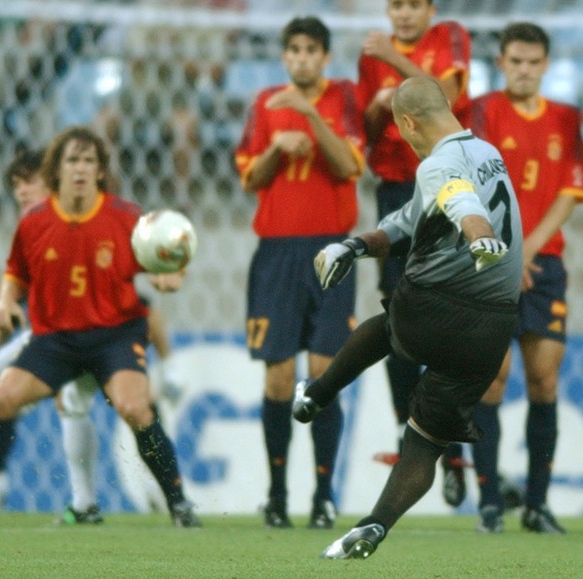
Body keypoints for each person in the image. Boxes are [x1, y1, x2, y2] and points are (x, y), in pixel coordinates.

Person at [292, 76, 522, 559]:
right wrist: (355, 246)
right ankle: (374, 526)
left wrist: (478, 234)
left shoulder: (437, 164)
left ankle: (316, 393)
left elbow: (459, 199)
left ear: (409, 122)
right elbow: (407, 221)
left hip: (435, 310)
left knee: (395, 316)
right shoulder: (488, 154)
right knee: (425, 440)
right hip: (492, 331)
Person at [0, 126, 200, 527]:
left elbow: (166, 263)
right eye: (72, 160)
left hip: (115, 334)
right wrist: (6, 301)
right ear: (56, 170)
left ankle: (179, 504)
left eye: (89, 160)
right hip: (55, 339)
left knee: (134, 407)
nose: (80, 168)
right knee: (0, 400)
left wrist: (169, 278)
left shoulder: (126, 217)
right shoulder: (35, 222)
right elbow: (16, 273)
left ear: (100, 171)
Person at [233, 16, 364, 530]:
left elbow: (350, 164)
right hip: (276, 253)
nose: (302, 58)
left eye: (311, 50)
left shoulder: (344, 97)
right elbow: (250, 179)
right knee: (279, 376)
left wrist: (310, 116)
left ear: (325, 56)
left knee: (325, 375)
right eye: (294, 50)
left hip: (331, 251)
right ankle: (276, 495)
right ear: (285, 56)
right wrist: (275, 148)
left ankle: (324, 497)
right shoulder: (265, 103)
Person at [468, 22, 583, 534]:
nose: (523, 70)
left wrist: (529, 249)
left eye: (532, 62)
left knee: (544, 379)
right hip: (491, 261)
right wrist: (506, 252)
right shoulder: (483, 112)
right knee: (491, 379)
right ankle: (490, 503)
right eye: (515, 61)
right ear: (501, 62)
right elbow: (471, 186)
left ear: (545, 65)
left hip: (543, 263)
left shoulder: (565, 119)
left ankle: (538, 504)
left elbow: (571, 191)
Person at [356, 0, 472, 507]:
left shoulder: (449, 37)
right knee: (398, 316)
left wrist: (398, 68)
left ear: (430, 8)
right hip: (396, 190)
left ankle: (449, 439)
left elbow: (443, 97)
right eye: (396, 5)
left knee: (450, 313)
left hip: (448, 183)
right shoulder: (369, 57)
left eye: (413, 5)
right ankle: (414, 434)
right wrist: (377, 109)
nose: (404, 15)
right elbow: (362, 134)